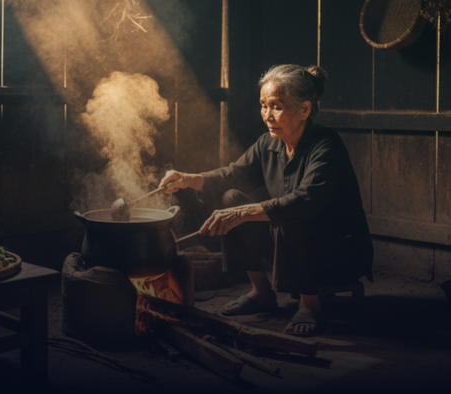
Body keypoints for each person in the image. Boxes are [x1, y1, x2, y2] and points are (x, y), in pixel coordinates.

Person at [159, 64, 373, 336]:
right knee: (230, 199)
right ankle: (261, 292)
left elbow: (305, 201)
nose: (267, 116)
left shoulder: (327, 145)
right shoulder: (268, 143)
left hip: (339, 252)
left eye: (277, 106)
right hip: (292, 244)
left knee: (289, 215)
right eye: (263, 105)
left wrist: (244, 214)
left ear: (305, 110)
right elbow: (233, 174)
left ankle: (311, 306)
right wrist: (189, 178)